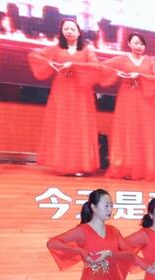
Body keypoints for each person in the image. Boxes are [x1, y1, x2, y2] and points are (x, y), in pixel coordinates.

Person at [28, 19, 101, 175]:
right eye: (66, 28)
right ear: (61, 32)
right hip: (61, 92)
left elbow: (96, 67)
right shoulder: (56, 49)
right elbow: (34, 56)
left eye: (72, 29)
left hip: (81, 94)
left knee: (79, 126)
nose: (69, 31)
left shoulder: (86, 50)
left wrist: (75, 66)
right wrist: (50, 63)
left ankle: (80, 165)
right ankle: (63, 165)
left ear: (79, 32)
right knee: (63, 125)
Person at [101, 33, 155, 180]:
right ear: (129, 43)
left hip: (145, 101)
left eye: (142, 44)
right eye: (136, 43)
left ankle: (144, 168)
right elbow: (103, 67)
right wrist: (118, 73)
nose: (139, 46)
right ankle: (127, 168)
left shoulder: (149, 61)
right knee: (127, 130)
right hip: (127, 99)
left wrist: (141, 77)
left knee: (144, 131)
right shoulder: (122, 59)